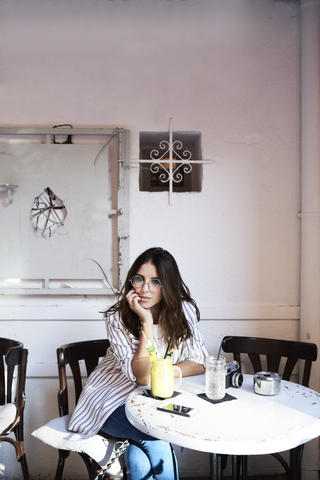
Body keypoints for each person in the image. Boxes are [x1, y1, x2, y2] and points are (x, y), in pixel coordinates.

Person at [68, 247, 209, 480]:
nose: (145, 289)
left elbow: (199, 363)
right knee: (157, 440)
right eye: (139, 279)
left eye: (156, 281)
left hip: (153, 400)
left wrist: (164, 374)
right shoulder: (117, 318)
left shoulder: (184, 311)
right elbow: (143, 377)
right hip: (111, 400)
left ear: (169, 285)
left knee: (139, 460)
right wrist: (147, 320)